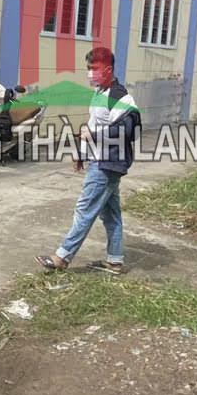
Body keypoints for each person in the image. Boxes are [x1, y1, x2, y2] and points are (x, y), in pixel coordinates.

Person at [37, 46, 140, 275]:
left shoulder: (120, 97)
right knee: (111, 214)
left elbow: (128, 130)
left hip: (108, 162)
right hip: (99, 159)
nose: (90, 73)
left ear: (108, 69)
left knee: (85, 209)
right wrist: (82, 153)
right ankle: (115, 261)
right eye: (88, 68)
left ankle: (62, 257)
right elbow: (93, 125)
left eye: (95, 68)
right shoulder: (99, 93)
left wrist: (93, 136)